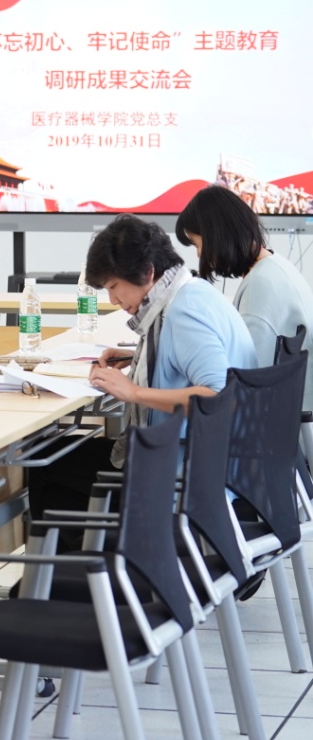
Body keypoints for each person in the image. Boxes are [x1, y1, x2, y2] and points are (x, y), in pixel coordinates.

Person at [26, 214, 258, 548]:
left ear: (148, 272)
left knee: (46, 463)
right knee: (62, 466)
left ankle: (97, 566)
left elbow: (219, 397)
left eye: (113, 287)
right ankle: (102, 563)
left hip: (184, 473)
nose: (112, 300)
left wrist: (134, 392)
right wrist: (138, 355)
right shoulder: (191, 293)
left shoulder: (183, 313)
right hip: (218, 464)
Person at [175, 182, 313, 413]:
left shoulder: (261, 286)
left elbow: (242, 379)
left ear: (217, 237)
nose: (199, 254)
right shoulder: (275, 266)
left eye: (198, 245)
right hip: (287, 416)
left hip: (271, 422)